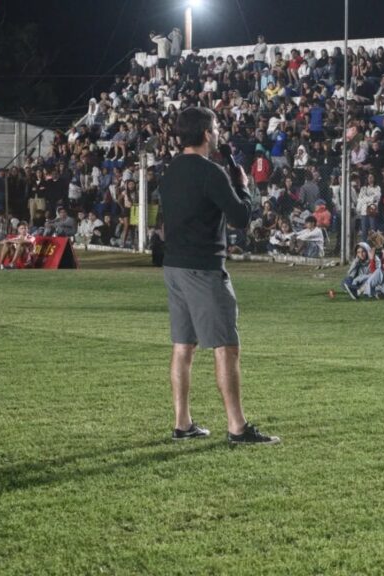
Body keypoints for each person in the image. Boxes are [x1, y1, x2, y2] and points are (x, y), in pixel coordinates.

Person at [159, 106, 279, 445]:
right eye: (215, 126)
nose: (218, 132)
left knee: (183, 346)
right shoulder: (211, 172)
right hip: (204, 268)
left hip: (174, 266)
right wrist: (242, 186)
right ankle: (238, 427)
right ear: (206, 133)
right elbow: (241, 217)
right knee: (226, 346)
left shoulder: (170, 170)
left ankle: (183, 423)